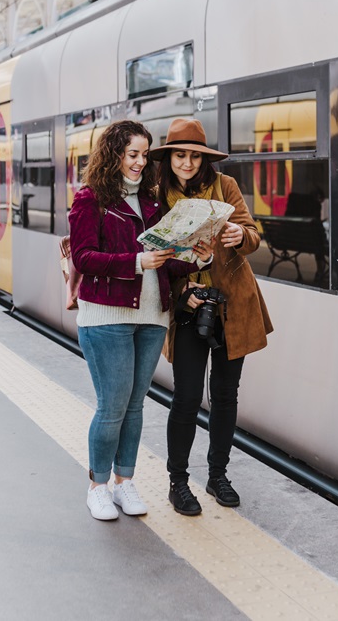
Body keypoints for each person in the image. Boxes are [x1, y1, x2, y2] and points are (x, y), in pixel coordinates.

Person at [69, 119, 212, 521]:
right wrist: (135, 262)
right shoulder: (90, 199)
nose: (139, 162)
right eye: (132, 154)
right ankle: (97, 487)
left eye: (144, 155)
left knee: (134, 406)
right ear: (113, 154)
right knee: (112, 406)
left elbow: (167, 263)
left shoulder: (152, 203)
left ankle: (124, 482)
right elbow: (83, 257)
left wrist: (200, 256)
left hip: (152, 316)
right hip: (106, 318)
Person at [152, 118, 273, 516]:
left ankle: (217, 475)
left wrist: (243, 237)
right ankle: (178, 481)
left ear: (204, 158)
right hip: (188, 308)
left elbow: (252, 232)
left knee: (224, 395)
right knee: (186, 398)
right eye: (179, 155)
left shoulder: (226, 187)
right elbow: (153, 260)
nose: (187, 163)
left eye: (194, 156)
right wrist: (177, 292)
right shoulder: (155, 196)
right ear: (168, 157)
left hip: (231, 304)